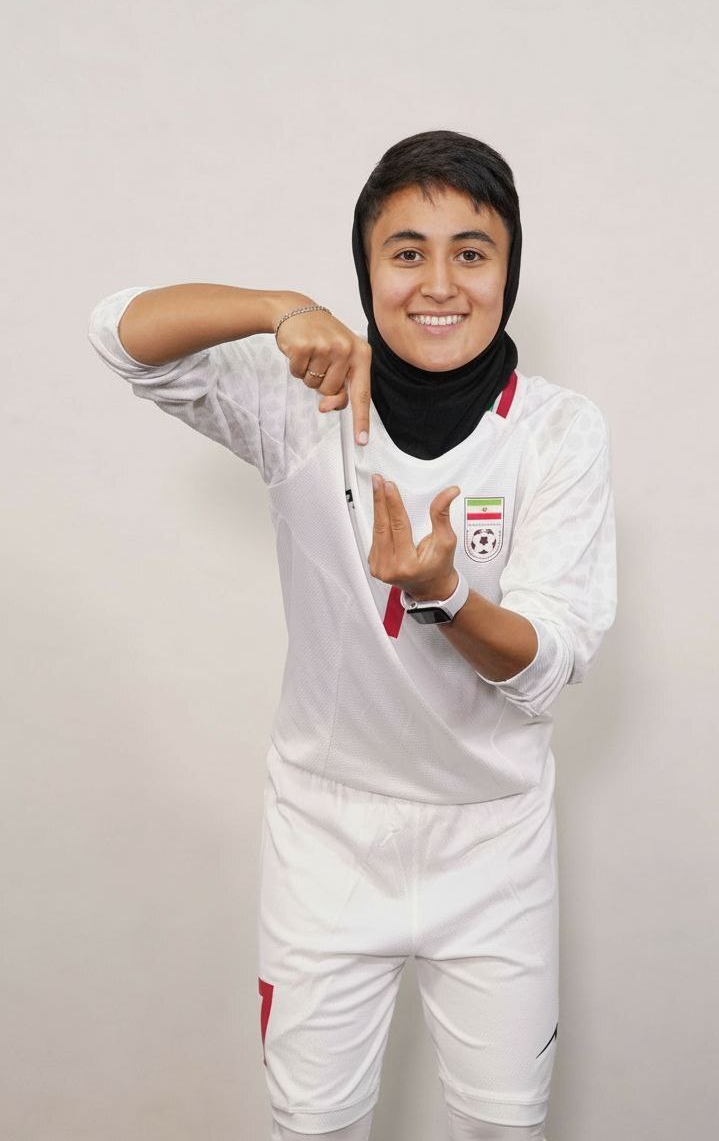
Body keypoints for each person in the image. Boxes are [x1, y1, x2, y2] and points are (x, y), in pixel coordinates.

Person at [87, 129, 617, 1141]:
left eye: (471, 252)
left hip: (493, 842)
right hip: (326, 838)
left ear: (508, 270)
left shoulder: (558, 431)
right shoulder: (302, 401)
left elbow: (549, 665)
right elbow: (120, 334)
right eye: (406, 251)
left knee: (504, 1128)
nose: (439, 283)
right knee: (313, 1125)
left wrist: (443, 594)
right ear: (366, 268)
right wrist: (277, 308)